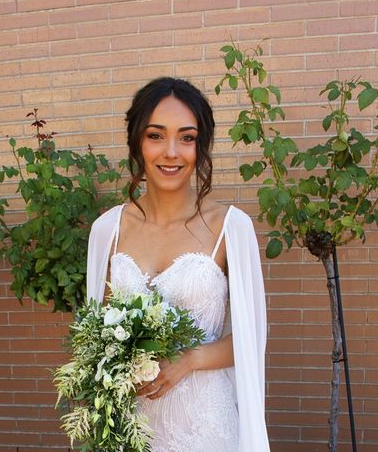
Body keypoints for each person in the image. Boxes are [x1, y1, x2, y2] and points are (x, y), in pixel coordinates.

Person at [86, 77, 270, 451]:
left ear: (200, 147)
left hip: (205, 427)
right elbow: (97, 338)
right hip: (134, 427)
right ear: (137, 141)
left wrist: (190, 359)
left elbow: (253, 339)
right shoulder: (107, 230)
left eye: (186, 138)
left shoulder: (230, 228)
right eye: (156, 135)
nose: (171, 151)